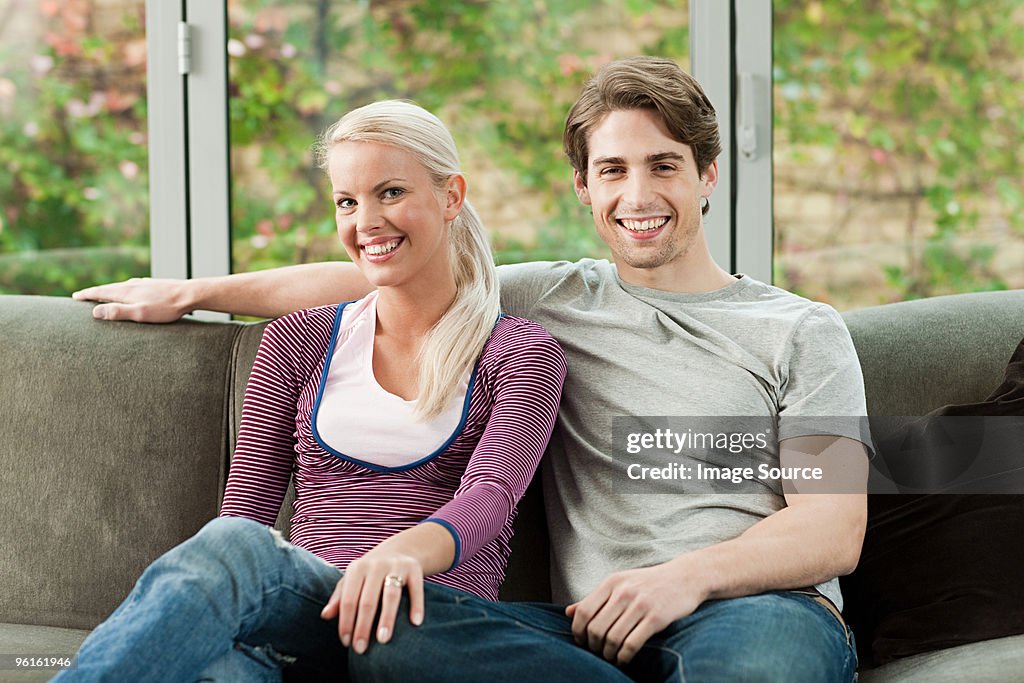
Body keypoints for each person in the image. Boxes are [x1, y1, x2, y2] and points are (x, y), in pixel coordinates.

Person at [74, 57, 872, 682]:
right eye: (613, 170)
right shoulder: (552, 299)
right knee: (391, 635)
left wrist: (684, 579)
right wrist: (192, 291)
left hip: (758, 609)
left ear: (707, 175)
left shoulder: (802, 331)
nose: (638, 194)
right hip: (584, 633)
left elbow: (832, 526)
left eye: (663, 166)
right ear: (584, 188)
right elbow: (381, 265)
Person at [55, 100, 567, 682]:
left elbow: (491, 503)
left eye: (391, 192)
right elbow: (244, 514)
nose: (366, 221)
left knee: (234, 553)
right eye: (348, 202)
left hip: (423, 624)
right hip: (302, 621)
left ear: (451, 196)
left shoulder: (519, 352)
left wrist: (394, 558)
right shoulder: (301, 341)